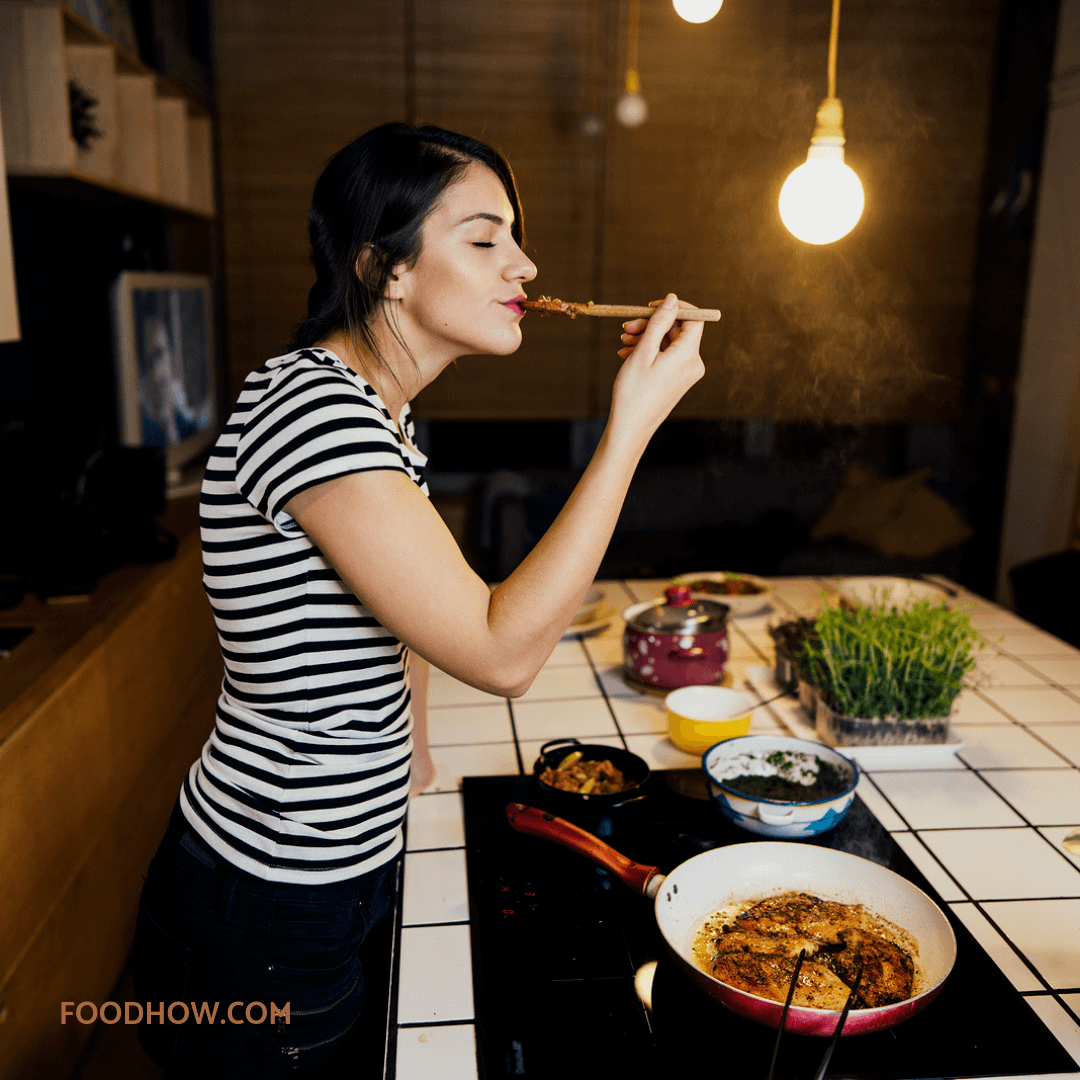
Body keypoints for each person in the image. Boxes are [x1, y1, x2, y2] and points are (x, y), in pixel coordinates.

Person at [131, 121, 705, 1078]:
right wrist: (631, 430)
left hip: (322, 874)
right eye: (483, 239)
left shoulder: (371, 409)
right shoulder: (315, 413)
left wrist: (412, 759)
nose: (522, 262)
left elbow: (399, 613)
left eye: (514, 237)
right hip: (266, 899)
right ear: (384, 267)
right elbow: (502, 653)